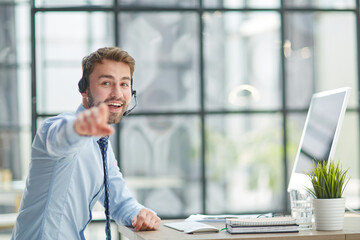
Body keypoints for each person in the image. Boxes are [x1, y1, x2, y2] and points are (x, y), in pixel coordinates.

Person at [11, 47, 161, 240]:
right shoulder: (56, 127)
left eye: (124, 84)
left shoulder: (101, 146)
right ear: (84, 89)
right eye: (106, 83)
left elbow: (119, 201)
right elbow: (61, 139)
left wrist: (141, 214)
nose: (117, 93)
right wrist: (80, 127)